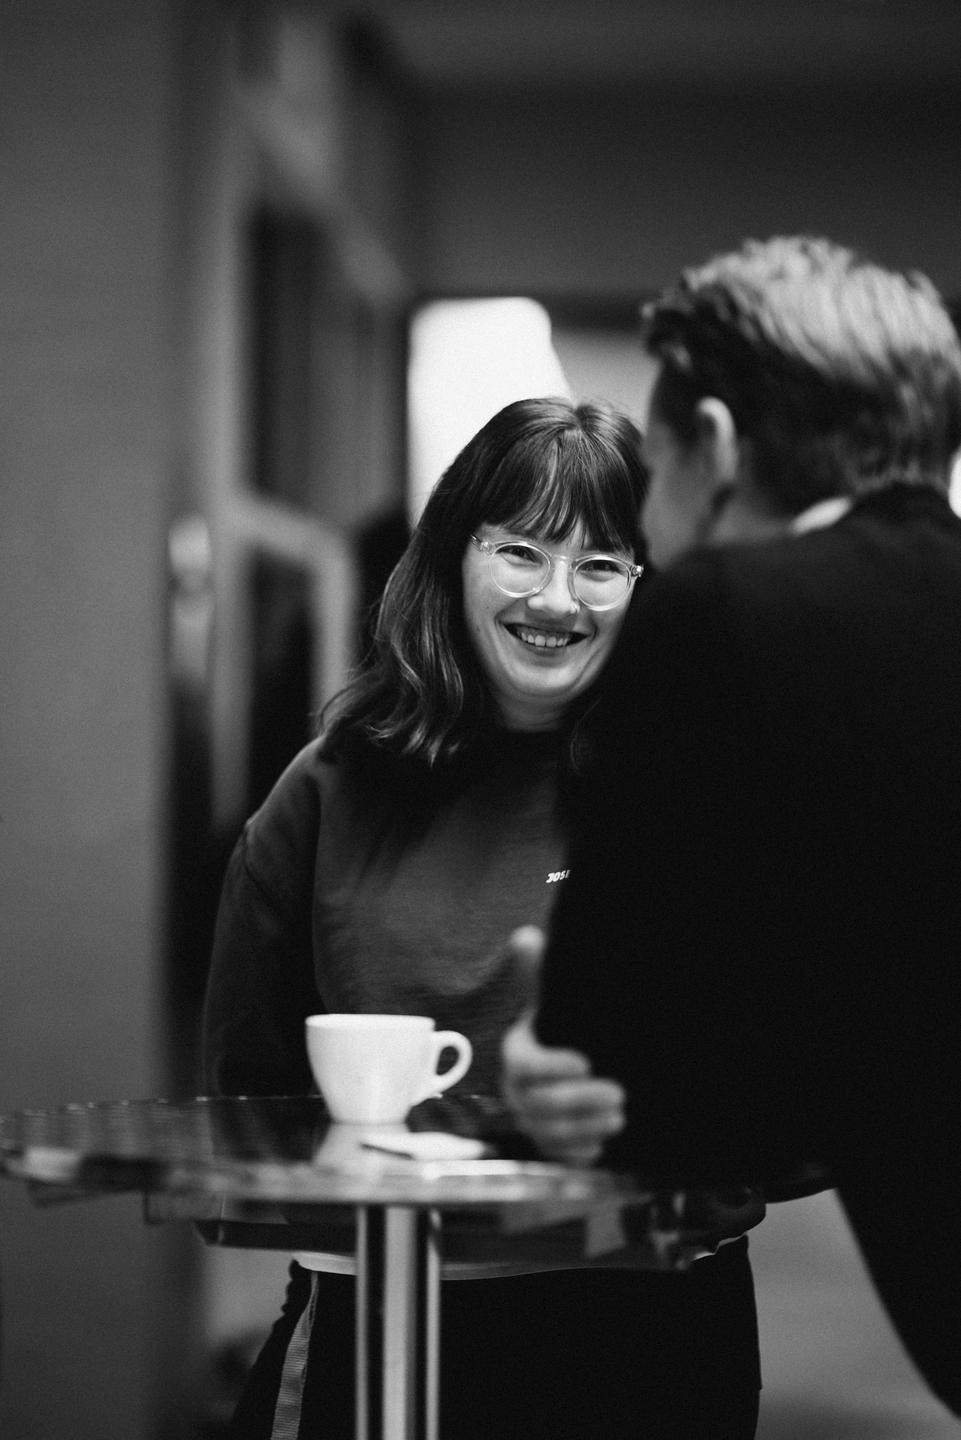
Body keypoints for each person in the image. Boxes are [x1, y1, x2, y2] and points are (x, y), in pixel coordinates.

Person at [203, 396, 765, 1440]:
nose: (556, 599)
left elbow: (811, 1087)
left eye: (601, 564)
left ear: (649, 586)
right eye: (520, 552)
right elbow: (241, 1098)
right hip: (378, 1317)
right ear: (453, 557)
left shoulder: (701, 794)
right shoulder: (331, 788)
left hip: (648, 1325)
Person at [502, 237, 961, 1418]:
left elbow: (639, 1086)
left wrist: (558, 1067)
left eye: (651, 474)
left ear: (711, 442)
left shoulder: (724, 617)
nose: (650, 529)